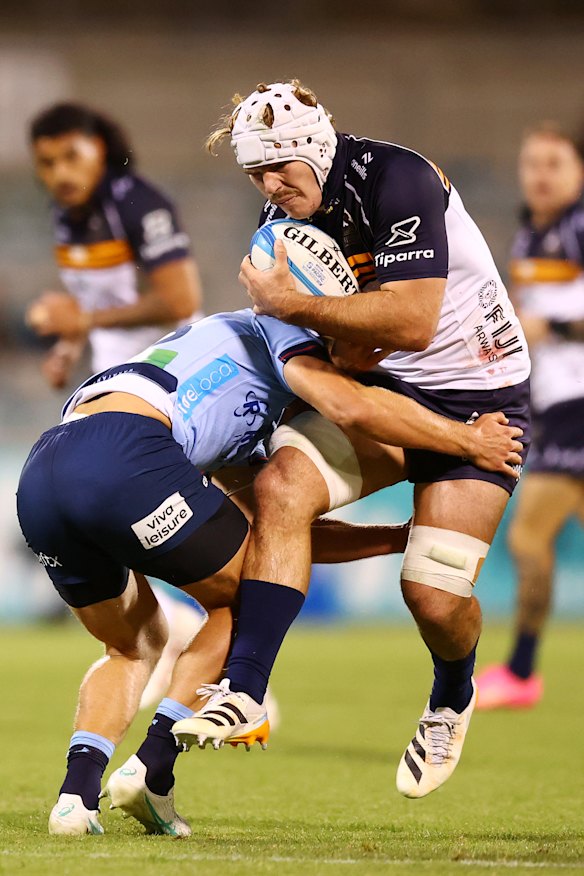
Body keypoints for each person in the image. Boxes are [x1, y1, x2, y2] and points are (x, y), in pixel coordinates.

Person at [16, 306, 521, 836]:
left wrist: (394, 538)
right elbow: (351, 408)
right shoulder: (290, 332)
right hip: (126, 454)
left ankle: (75, 799)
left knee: (131, 646)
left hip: (45, 471)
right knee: (248, 603)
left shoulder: (225, 375)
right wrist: (467, 440)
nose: (373, 356)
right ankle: (153, 766)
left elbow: (275, 537)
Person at [173, 80, 532, 801]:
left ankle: (452, 695)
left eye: (279, 166)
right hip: (387, 389)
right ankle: (244, 692)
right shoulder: (282, 222)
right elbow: (337, 344)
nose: (269, 186)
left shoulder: (398, 178)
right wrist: (331, 345)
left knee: (433, 597)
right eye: (255, 173)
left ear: (315, 147)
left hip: (481, 396)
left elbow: (412, 322)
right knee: (279, 486)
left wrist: (291, 303)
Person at [476, 124, 584, 709]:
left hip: (578, 404)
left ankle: (521, 672)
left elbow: (551, 322)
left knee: (528, 536)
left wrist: (556, 327)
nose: (540, 175)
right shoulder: (530, 238)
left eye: (554, 163)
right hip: (555, 404)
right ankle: (522, 671)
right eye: (532, 163)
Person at [26, 102, 202, 388]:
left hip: (172, 370)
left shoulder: (139, 204)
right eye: (48, 163)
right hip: (114, 372)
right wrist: (68, 347)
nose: (61, 174)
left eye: (71, 157)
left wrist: (82, 320)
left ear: (98, 148)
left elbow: (180, 301)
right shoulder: (64, 214)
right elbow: (95, 299)